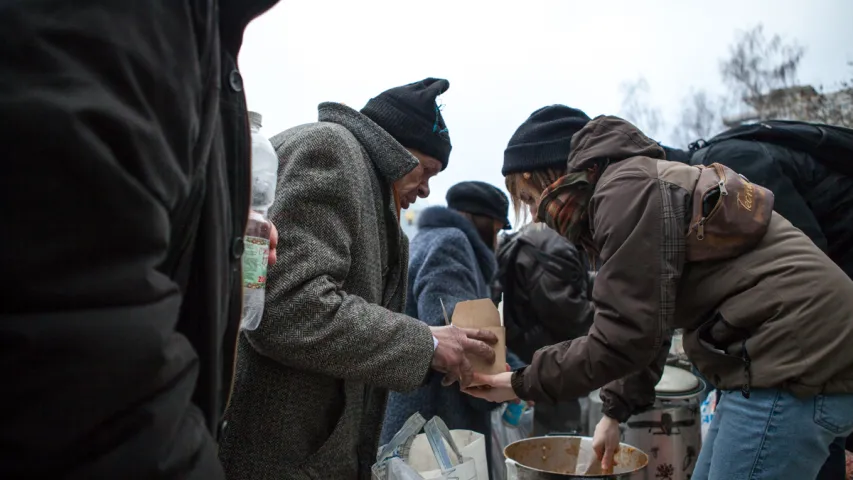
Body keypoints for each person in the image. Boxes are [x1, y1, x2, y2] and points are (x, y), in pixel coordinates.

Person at [464, 113, 853, 479]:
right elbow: (650, 324)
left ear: (549, 176)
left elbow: (622, 338)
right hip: (786, 355)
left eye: (530, 199)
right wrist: (614, 413)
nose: (535, 217)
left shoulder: (625, 192)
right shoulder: (634, 184)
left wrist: (519, 381)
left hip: (791, 356)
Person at [0, 1, 279, 478]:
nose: (423, 188)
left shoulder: (203, 37)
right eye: (427, 172)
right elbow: (71, 334)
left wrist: (215, 235)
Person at [219, 79, 498, 479]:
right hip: (281, 457)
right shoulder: (330, 150)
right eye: (427, 171)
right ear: (398, 150)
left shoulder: (369, 187)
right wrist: (428, 343)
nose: (425, 190)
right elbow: (289, 309)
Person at [687, 122, 853, 479]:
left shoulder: (728, 173)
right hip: (822, 318)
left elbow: (803, 270)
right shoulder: (712, 178)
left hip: (825, 319)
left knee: (808, 414)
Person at [381, 181, 519, 477]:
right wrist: (519, 377)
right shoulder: (452, 243)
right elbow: (459, 333)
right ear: (482, 221)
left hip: (412, 415)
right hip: (437, 425)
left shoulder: (426, 238)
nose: (496, 241)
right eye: (495, 230)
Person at [492, 222, 595, 436]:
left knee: (532, 438)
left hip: (526, 354)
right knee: (556, 443)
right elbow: (569, 314)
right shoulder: (554, 245)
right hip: (549, 363)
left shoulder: (532, 235)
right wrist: (613, 307)